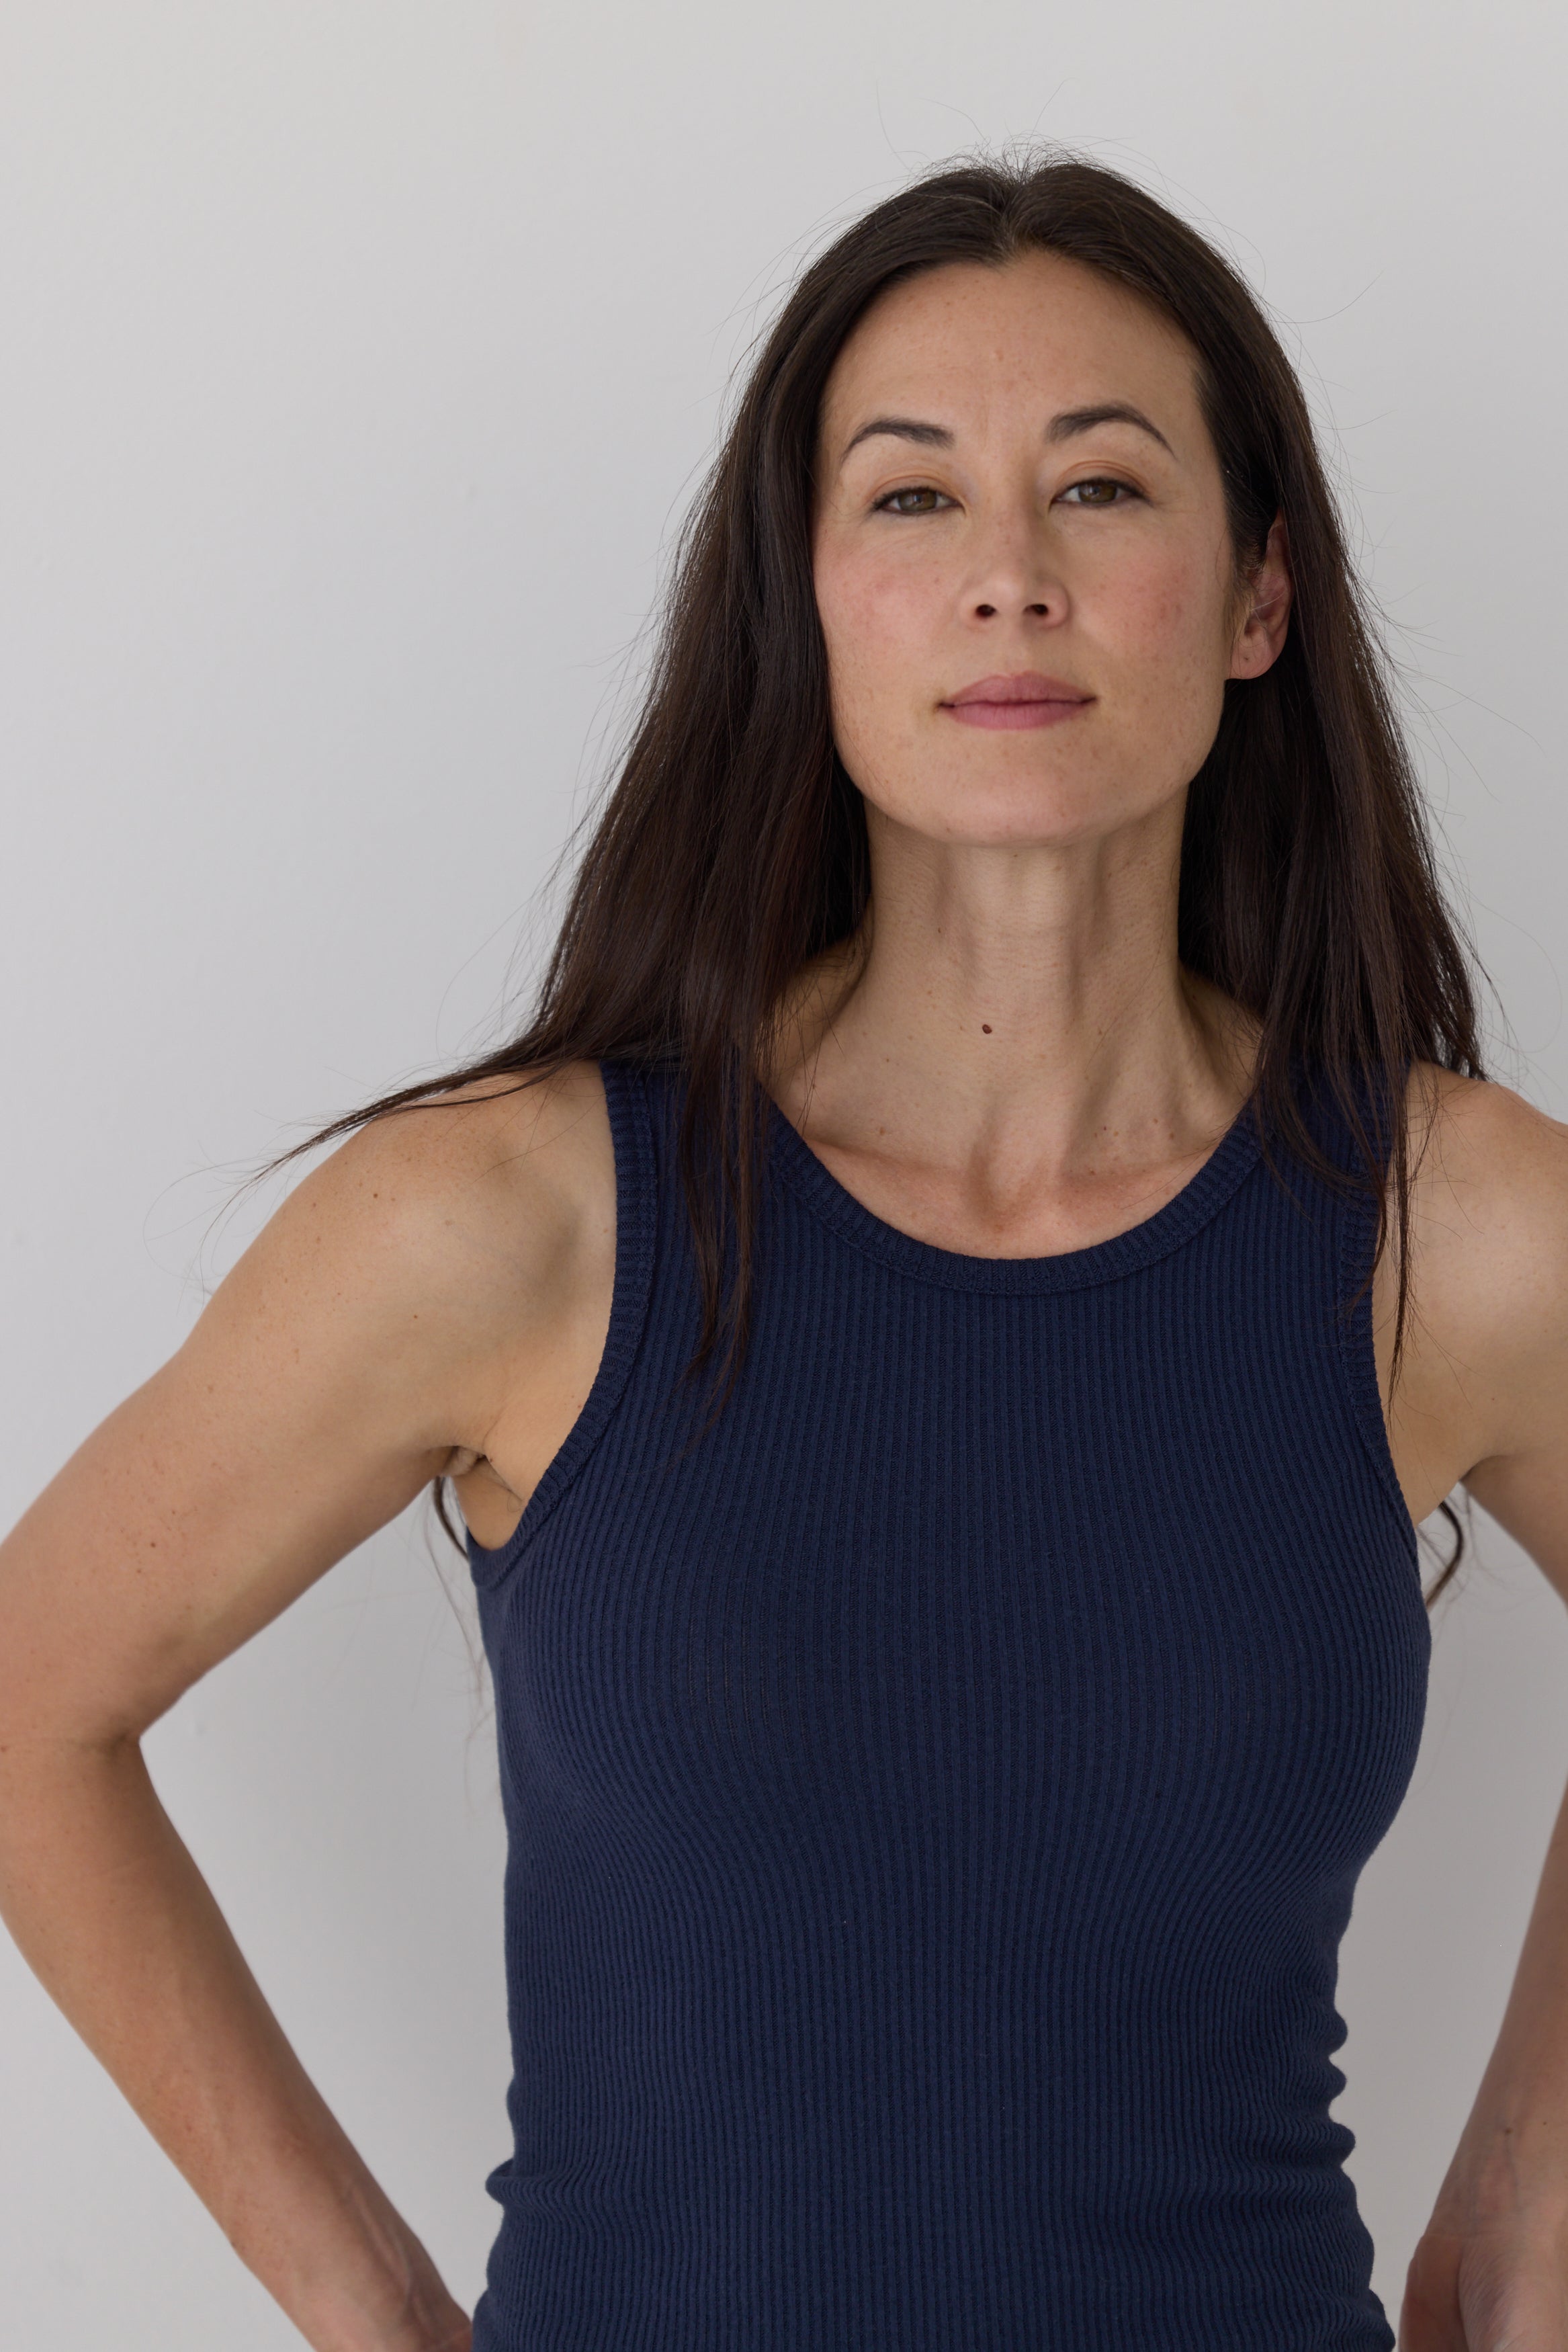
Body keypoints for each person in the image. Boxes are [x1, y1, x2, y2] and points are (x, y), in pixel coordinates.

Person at [1, 147, 1565, 2352]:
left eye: (1102, 487)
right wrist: (372, 2311)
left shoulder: (1451, 1232)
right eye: (913, 497)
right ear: (807, 600)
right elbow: (33, 1698)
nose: (1009, 577)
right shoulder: (513, 1222)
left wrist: (1522, 2201)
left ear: (1255, 595)